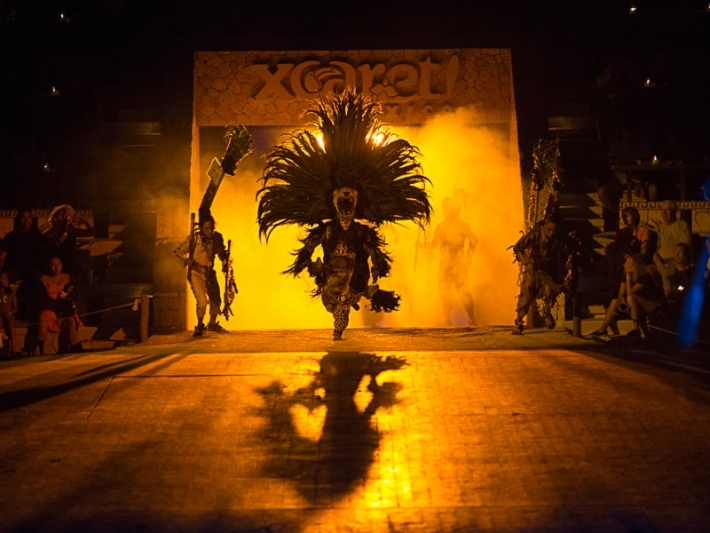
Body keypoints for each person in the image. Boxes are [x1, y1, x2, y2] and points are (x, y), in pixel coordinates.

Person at [417, 196, 478, 326]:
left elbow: (474, 240)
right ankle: (447, 320)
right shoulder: (441, 226)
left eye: (448, 209)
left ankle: (472, 319)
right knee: (443, 292)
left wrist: (469, 256)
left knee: (463, 292)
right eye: (444, 209)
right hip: (445, 264)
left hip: (458, 264)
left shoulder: (462, 225)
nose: (445, 211)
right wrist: (421, 245)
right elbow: (434, 244)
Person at [174, 213, 229, 337]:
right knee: (203, 302)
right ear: (202, 228)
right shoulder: (194, 239)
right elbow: (177, 251)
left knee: (216, 299)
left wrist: (225, 261)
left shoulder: (217, 238)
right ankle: (199, 325)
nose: (210, 231)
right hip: (196, 273)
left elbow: (221, 253)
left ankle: (212, 323)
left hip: (210, 273)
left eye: (211, 228)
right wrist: (186, 260)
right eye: (207, 228)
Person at [511, 218, 568, 335]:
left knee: (550, 293)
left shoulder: (557, 240)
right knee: (526, 296)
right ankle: (519, 321)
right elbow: (518, 248)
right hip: (532, 270)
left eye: (553, 230)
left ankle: (547, 312)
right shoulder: (534, 236)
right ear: (543, 228)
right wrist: (527, 262)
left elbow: (559, 257)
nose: (551, 233)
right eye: (549, 230)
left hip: (547, 271)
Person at [589, 253, 661, 338]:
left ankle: (635, 328)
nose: (624, 264)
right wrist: (622, 300)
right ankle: (602, 328)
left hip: (647, 307)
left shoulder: (645, 278)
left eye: (628, 263)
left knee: (631, 297)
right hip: (632, 305)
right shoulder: (625, 276)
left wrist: (628, 276)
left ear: (635, 265)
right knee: (615, 302)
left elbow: (630, 292)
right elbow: (621, 293)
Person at [1, 208, 46, 320]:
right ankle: (4, 314)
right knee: (2, 281)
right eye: (23, 218)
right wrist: (2, 272)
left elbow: (44, 256)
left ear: (32, 219)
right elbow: (3, 255)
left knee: (38, 283)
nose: (26, 221)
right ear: (18, 219)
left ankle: (33, 315)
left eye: (29, 218)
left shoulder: (38, 236)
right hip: (14, 269)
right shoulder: (10, 236)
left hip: (31, 269)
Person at [37, 256, 84, 354]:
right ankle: (43, 347)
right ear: (49, 266)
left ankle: (76, 345)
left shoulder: (67, 277)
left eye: (58, 264)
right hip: (50, 307)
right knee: (43, 319)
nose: (56, 267)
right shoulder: (44, 279)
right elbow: (42, 296)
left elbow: (74, 293)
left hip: (64, 307)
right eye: (53, 265)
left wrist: (66, 298)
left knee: (71, 322)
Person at [606, 206, 654, 287]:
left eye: (628, 215)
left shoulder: (643, 231)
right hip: (622, 256)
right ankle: (613, 280)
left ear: (634, 216)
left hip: (636, 255)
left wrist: (632, 255)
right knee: (613, 247)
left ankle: (613, 280)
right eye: (623, 216)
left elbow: (644, 251)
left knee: (615, 248)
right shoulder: (622, 232)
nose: (625, 218)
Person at [652, 200, 691, 275]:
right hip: (661, 262)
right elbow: (654, 251)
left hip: (677, 262)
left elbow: (685, 248)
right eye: (662, 210)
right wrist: (658, 263)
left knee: (670, 271)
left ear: (674, 212)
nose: (664, 213)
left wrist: (673, 263)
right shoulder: (658, 228)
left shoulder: (682, 226)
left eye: (667, 210)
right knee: (648, 271)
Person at [0, 272, 18, 355]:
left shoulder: (11, 293)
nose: (6, 280)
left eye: (7, 279)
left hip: (8, 316)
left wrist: (10, 312)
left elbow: (15, 308)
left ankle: (13, 348)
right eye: (3, 279)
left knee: (10, 325)